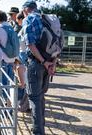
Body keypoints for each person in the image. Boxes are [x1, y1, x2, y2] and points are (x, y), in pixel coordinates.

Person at [22, 1, 54, 134]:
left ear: (25, 9)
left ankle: (38, 131)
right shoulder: (48, 19)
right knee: (40, 97)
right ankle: (40, 127)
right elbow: (57, 43)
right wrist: (52, 63)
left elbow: (30, 44)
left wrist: (42, 61)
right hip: (49, 62)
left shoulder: (29, 18)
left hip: (36, 63)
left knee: (34, 98)